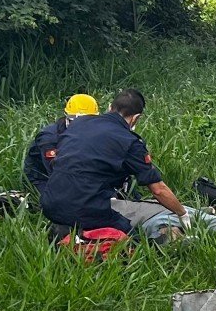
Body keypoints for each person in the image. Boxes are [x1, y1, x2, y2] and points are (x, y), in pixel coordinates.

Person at [38, 88, 188, 247]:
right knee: (131, 239)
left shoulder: (79, 125)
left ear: (110, 107)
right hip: (86, 206)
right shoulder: (130, 142)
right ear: (136, 118)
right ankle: (87, 241)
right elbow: (158, 189)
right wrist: (182, 214)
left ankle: (69, 233)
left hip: (49, 203)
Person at [23, 92, 98, 195]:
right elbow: (56, 173)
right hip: (44, 178)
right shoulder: (50, 139)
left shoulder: (95, 133)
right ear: (67, 119)